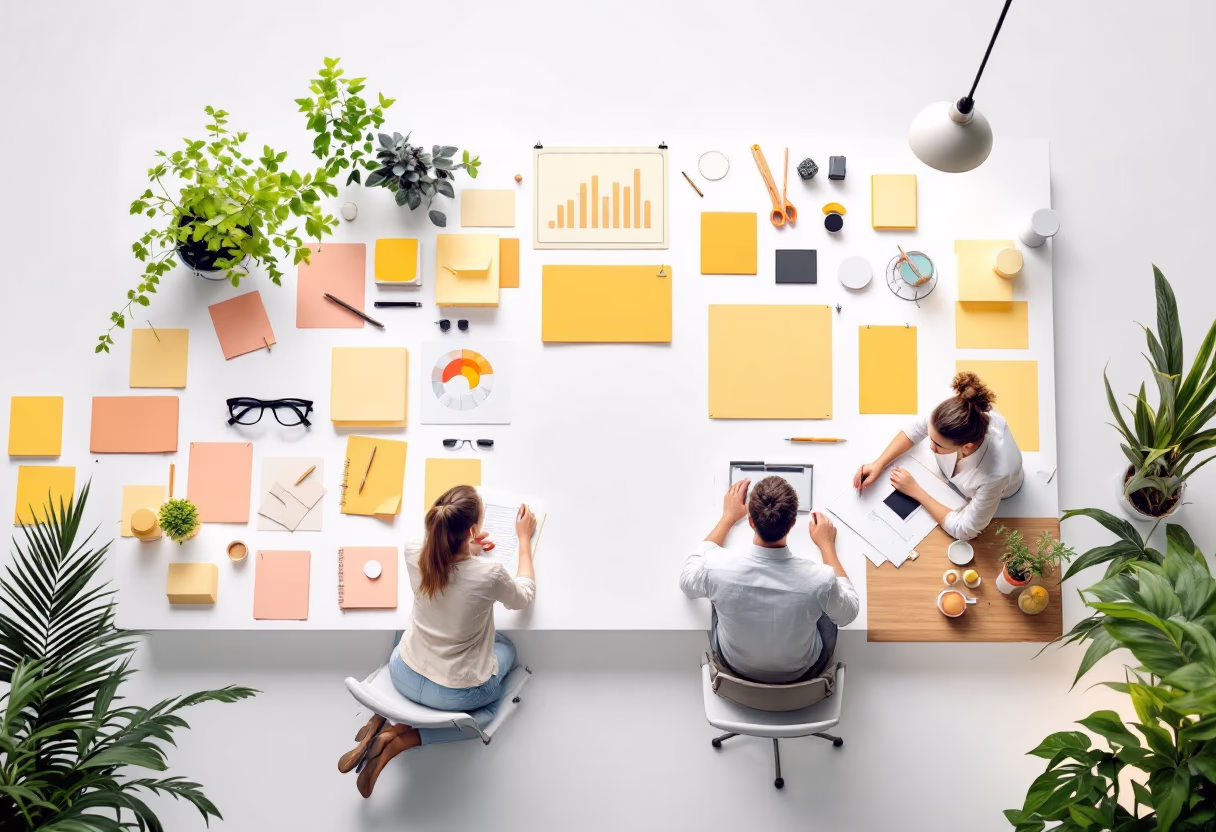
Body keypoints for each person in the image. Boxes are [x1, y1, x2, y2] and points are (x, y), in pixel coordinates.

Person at [337, 485, 537, 798]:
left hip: (402, 672)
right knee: (501, 665)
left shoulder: (413, 549)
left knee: (411, 626)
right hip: (455, 696)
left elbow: (449, 570)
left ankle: (386, 719)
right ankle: (400, 739)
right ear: (472, 530)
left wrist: (468, 550)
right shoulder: (490, 574)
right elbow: (523, 597)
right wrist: (524, 539)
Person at [679, 476, 859, 684]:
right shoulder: (819, 578)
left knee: (714, 587)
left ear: (750, 521)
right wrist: (827, 546)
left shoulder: (717, 566)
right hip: (801, 671)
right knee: (828, 595)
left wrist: (728, 517)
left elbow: (687, 581)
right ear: (792, 524)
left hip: (735, 666)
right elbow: (849, 613)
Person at [853, 371, 1023, 542]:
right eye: (931, 437)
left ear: (966, 446)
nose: (930, 447)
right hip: (951, 484)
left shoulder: (995, 474)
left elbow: (965, 530)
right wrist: (878, 464)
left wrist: (916, 491)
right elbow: (916, 430)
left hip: (1002, 495)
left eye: (938, 445)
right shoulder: (948, 415)